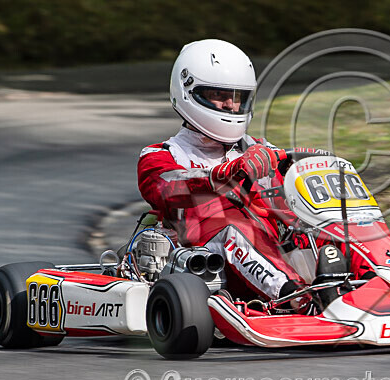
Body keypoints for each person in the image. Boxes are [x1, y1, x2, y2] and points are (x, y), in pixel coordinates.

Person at [137, 39, 361, 309]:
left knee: (330, 215)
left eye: (238, 97)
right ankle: (301, 302)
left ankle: (382, 280)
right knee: (230, 223)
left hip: (275, 249)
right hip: (209, 262)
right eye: (219, 95)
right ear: (189, 92)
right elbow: (169, 187)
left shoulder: (259, 149)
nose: (231, 105)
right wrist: (227, 172)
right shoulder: (162, 155)